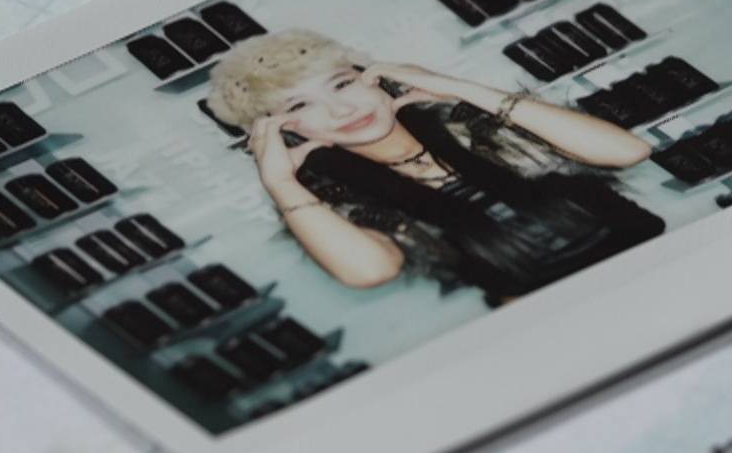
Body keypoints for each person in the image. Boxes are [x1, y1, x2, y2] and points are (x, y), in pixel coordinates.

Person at [206, 29, 664, 304]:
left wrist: (452, 86)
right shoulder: (334, 197)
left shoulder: (470, 122)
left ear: (375, 78)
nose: (341, 110)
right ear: (284, 131)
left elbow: (627, 150)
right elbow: (369, 271)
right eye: (301, 105)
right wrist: (280, 181)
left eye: (342, 84)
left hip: (662, 270)